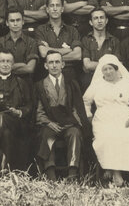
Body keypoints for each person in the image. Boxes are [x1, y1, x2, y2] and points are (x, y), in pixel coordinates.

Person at [83, 54, 129, 187]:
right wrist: (89, 115)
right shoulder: (97, 84)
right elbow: (86, 100)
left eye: (111, 69)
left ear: (117, 69)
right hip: (102, 119)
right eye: (105, 69)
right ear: (101, 71)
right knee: (109, 137)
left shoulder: (127, 83)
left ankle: (112, 169)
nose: (108, 72)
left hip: (125, 117)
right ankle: (117, 175)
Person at [35, 52, 89, 180]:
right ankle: (50, 174)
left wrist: (74, 122)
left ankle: (72, 173)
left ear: (63, 64)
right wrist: (49, 123)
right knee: (47, 136)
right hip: (49, 124)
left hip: (69, 124)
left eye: (57, 62)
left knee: (75, 133)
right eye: (51, 62)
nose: (54, 65)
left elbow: (77, 108)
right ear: (45, 66)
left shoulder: (71, 83)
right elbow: (39, 110)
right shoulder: (40, 85)